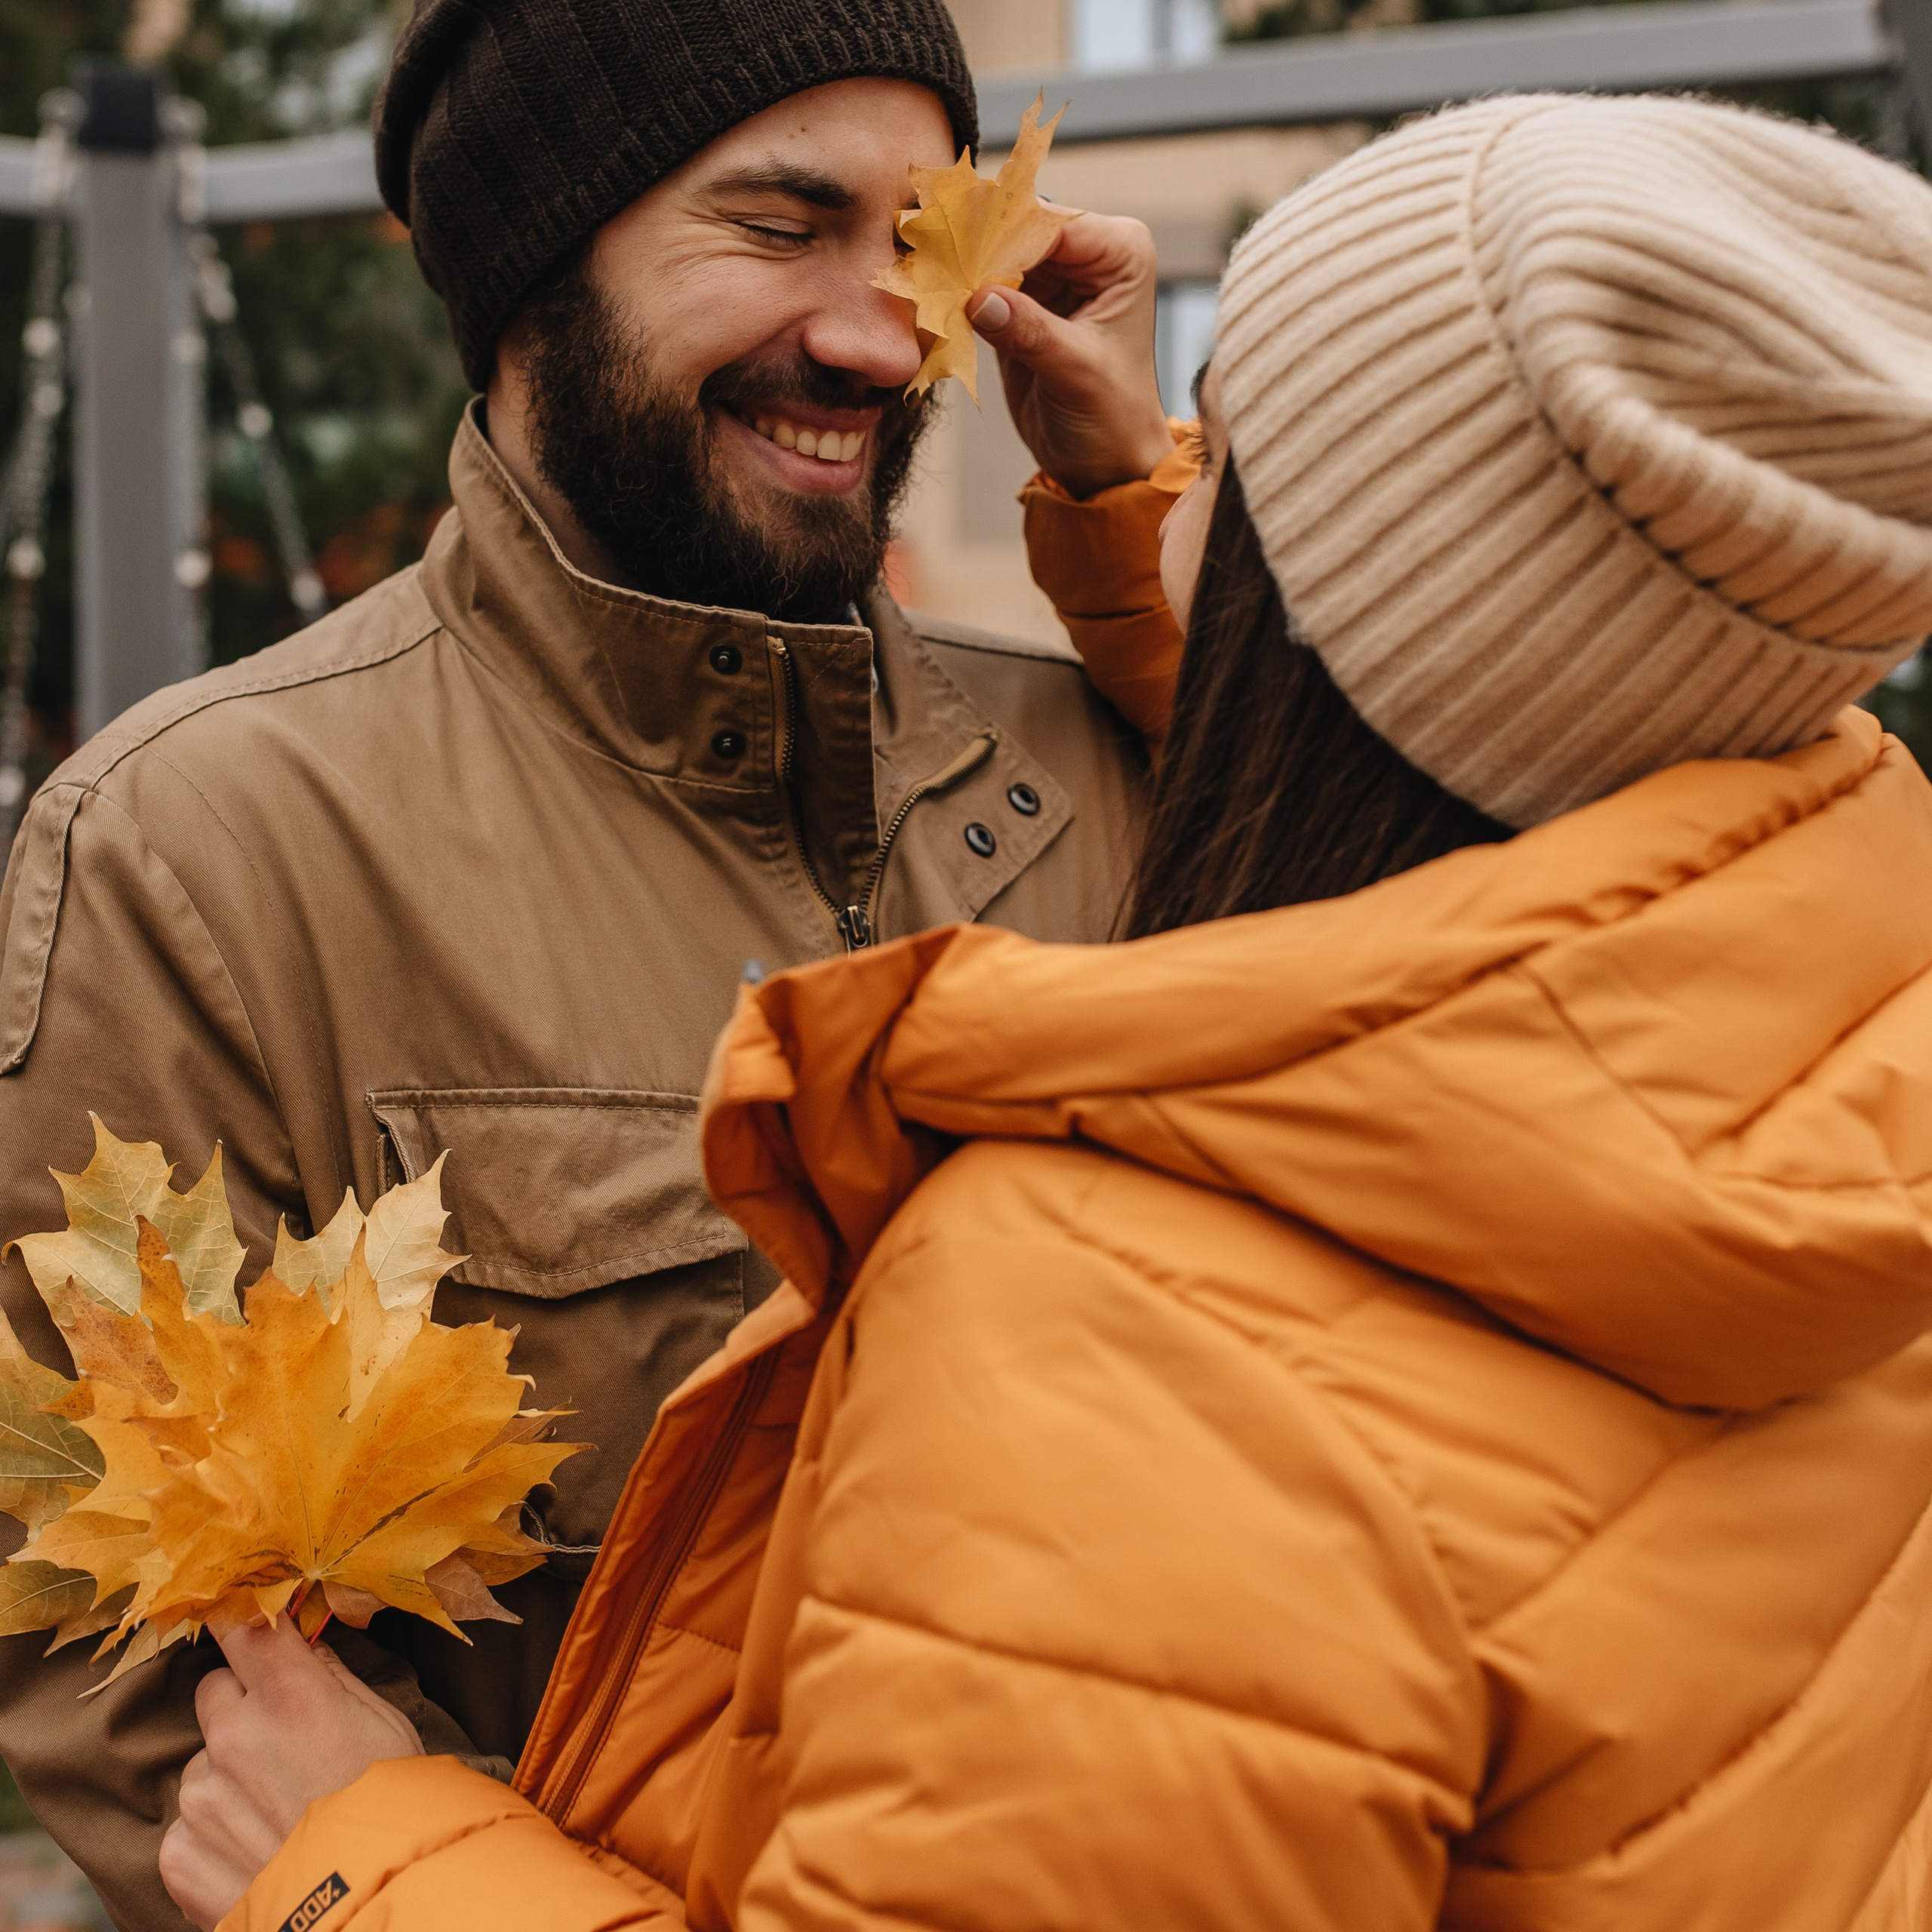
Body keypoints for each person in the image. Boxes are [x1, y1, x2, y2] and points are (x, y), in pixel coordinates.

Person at [148, 90, 1932, 1932]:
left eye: (1222, 455)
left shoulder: (1119, 1323)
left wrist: (368, 1878)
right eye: (779, 226)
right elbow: (1456, 772)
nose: (1165, 464)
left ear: (1332, 613)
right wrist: (1163, 530)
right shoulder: (1840, 1087)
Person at [0, 0, 1183, 1922]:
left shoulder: (1128, 752)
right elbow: (162, 1705)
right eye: (779, 225)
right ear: (538, 265)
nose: (880, 334)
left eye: (915, 244)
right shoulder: (207, 851)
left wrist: (1154, 531)